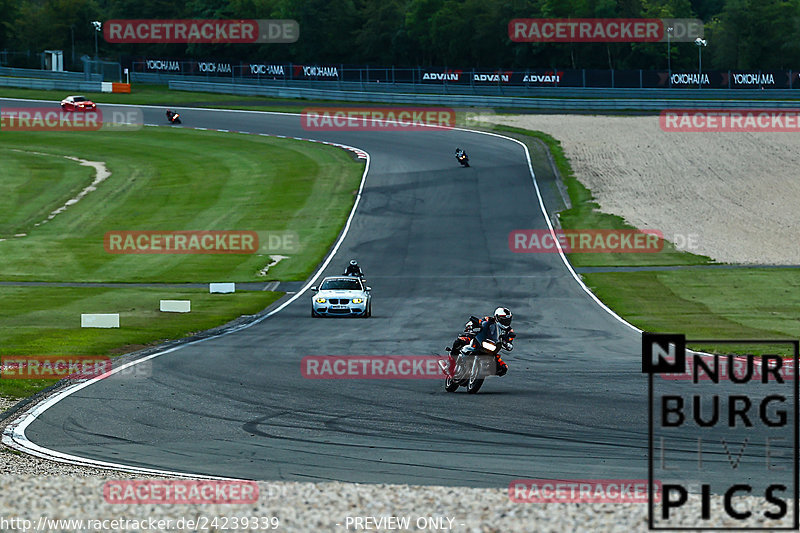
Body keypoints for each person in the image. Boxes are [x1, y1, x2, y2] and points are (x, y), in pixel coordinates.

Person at [447, 307, 514, 376]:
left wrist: (507, 344)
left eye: (508, 320)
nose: (506, 322)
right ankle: (451, 364)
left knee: (503, 368)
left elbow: (510, 343)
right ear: (497, 317)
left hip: (492, 348)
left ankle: (483, 370)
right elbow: (479, 322)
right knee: (460, 340)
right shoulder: (488, 320)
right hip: (481, 340)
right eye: (504, 320)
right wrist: (471, 326)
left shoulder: (509, 331)